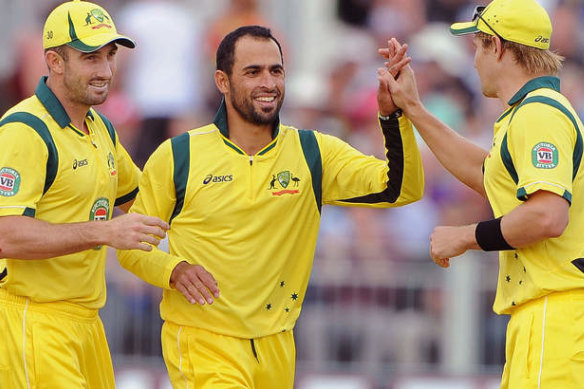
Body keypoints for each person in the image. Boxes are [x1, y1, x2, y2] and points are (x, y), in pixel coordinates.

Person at [118, 25, 424, 388]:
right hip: (203, 340)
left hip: (278, 343)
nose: (269, 82)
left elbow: (401, 189)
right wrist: (174, 269)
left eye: (276, 71)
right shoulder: (178, 155)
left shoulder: (313, 152)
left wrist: (393, 116)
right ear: (223, 81)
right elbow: (131, 245)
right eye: (253, 72)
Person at [381, 0, 584, 387]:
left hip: (557, 317)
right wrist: (413, 108)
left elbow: (547, 216)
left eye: (477, 46)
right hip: (546, 318)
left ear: (499, 47)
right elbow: (484, 171)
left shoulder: (539, 114)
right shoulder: (531, 112)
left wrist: (464, 236)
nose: (473, 61)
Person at [0, 1, 169, 388]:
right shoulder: (24, 130)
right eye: (91, 57)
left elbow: (148, 201)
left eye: (110, 56)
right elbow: (5, 235)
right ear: (55, 62)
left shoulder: (101, 128)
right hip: (33, 322)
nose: (106, 71)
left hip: (85, 323)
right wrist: (103, 232)